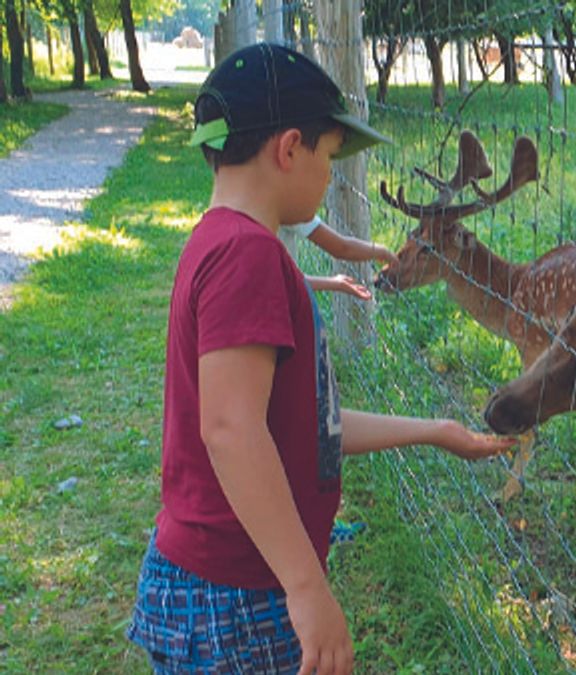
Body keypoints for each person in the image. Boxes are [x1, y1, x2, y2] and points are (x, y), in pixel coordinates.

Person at [126, 43, 515, 674]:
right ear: (288, 149)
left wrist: (436, 431)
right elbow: (230, 429)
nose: (331, 176)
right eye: (330, 157)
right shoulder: (246, 254)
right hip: (239, 596)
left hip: (224, 583)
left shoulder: (218, 241)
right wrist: (306, 586)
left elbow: (308, 426)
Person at [284, 214, 399, 300]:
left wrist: (335, 283)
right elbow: (343, 248)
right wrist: (381, 251)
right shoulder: (290, 206)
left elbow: (284, 281)